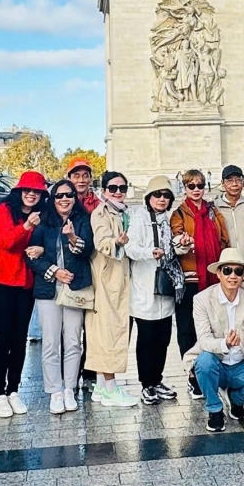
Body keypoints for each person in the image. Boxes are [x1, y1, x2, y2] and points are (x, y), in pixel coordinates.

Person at [189, 248, 244, 432]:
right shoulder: (201, 299)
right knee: (203, 362)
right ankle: (215, 410)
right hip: (216, 361)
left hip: (243, 363)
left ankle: (235, 400)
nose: (233, 275)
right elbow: (203, 340)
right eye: (227, 270)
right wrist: (224, 344)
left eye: (238, 271)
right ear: (219, 273)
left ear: (243, 275)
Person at [31, 177, 94, 414]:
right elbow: (32, 256)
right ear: (53, 199)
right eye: (59, 195)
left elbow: (87, 250)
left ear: (75, 198)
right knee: (50, 342)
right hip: (49, 288)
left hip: (75, 288)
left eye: (69, 195)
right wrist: (54, 271)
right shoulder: (43, 222)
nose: (64, 199)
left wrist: (72, 237)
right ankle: (55, 391)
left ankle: (70, 388)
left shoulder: (82, 219)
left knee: (73, 341)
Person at [0, 171, 45, 417]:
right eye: (27, 190)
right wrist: (27, 226)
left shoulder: (43, 214)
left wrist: (40, 247)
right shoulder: (4, 210)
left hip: (26, 282)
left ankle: (13, 389)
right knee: (4, 338)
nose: (31, 194)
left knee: (20, 338)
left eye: (36, 191)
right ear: (19, 191)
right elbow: (6, 242)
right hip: (3, 281)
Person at [170, 168, 230, 398]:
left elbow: (224, 240)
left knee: (211, 327)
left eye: (200, 185)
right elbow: (176, 237)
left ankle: (210, 372)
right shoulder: (179, 213)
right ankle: (192, 376)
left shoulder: (213, 212)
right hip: (190, 281)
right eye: (191, 186)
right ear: (185, 188)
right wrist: (183, 241)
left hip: (213, 278)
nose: (196, 190)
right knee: (187, 329)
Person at [127, 176, 180, 404]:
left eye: (166, 195)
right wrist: (149, 252)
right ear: (149, 197)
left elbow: (173, 249)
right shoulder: (139, 218)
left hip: (164, 289)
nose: (161, 199)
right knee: (146, 340)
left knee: (163, 339)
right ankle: (146, 384)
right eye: (157, 195)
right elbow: (130, 247)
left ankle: (157, 380)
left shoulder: (167, 220)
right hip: (145, 288)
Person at [87, 171, 138, 407]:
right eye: (113, 188)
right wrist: (116, 242)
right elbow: (101, 241)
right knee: (110, 333)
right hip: (108, 279)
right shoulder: (101, 213)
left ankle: (100, 385)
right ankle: (111, 388)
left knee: (104, 332)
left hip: (118, 278)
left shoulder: (123, 211)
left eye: (122, 188)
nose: (118, 192)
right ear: (104, 190)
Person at [214, 164, 244, 276]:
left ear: (243, 182)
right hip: (227, 273)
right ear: (222, 183)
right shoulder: (214, 208)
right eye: (229, 181)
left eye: (238, 180)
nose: (234, 184)